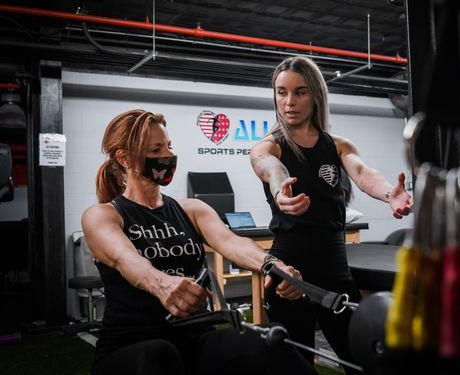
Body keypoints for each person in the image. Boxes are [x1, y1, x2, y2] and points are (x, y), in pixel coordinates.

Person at [81, 109, 317, 375]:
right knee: (160, 355)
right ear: (124, 158)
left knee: (267, 340)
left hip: (195, 337)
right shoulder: (103, 215)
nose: (167, 155)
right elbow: (126, 259)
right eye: (156, 149)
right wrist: (162, 284)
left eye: (169, 146)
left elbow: (231, 243)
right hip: (132, 344)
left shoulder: (191, 209)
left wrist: (274, 265)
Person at [250, 56, 413, 372]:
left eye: (299, 92)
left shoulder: (337, 146)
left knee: (359, 358)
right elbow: (270, 168)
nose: (289, 102)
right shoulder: (268, 147)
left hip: (335, 270)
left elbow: (363, 173)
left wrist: (387, 193)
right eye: (281, 92)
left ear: (315, 95)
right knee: (298, 365)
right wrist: (281, 189)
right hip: (289, 271)